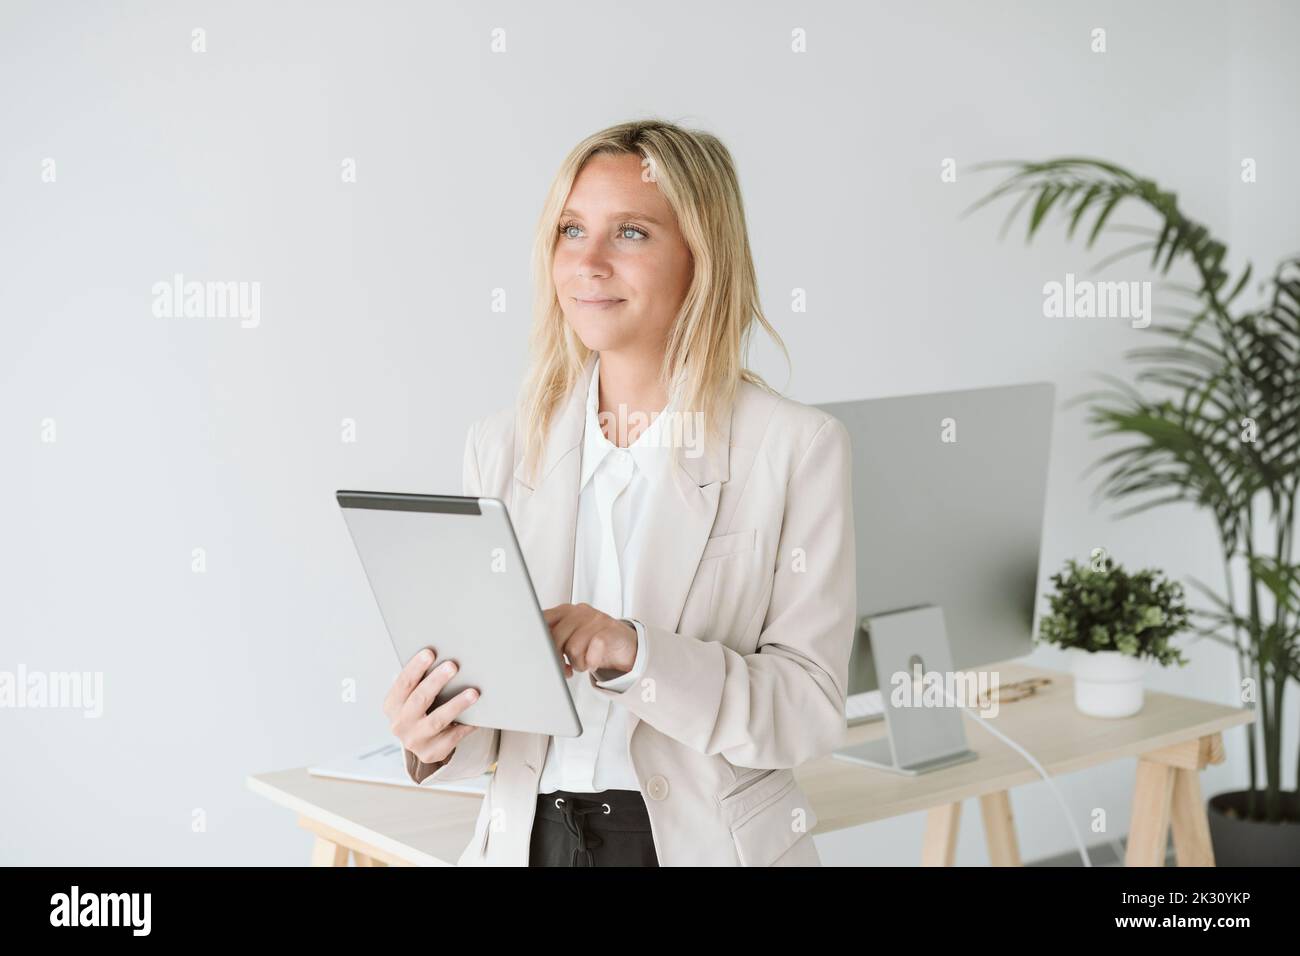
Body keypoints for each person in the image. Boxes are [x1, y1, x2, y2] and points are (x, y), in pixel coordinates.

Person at [383, 119, 856, 866]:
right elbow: (497, 731)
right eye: (572, 230)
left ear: (703, 258)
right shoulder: (499, 446)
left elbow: (810, 713)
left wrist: (637, 654)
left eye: (630, 233)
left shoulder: (795, 448)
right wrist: (434, 735)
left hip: (694, 844)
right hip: (530, 841)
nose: (589, 262)